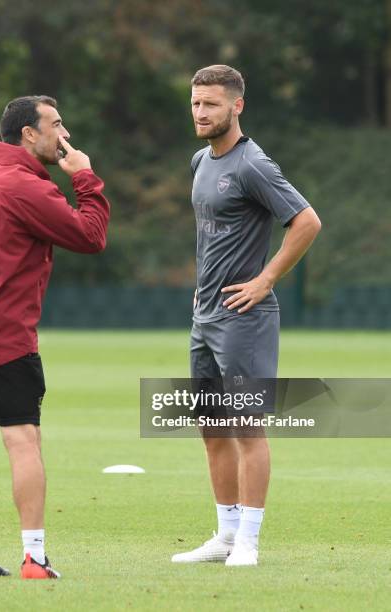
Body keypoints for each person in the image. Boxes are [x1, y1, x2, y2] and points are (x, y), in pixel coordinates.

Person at [0, 95, 110, 579]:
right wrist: (84, 178)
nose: (65, 135)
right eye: (56, 125)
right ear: (28, 134)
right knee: (23, 438)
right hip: (6, 336)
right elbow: (90, 236)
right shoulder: (24, 187)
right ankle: (34, 556)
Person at [171, 65, 321, 566]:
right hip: (206, 316)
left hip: (244, 317)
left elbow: (306, 220)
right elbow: (213, 234)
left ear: (237, 106)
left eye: (210, 104)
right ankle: (225, 535)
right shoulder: (200, 161)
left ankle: (250, 543)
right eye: (195, 103)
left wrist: (266, 279)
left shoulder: (253, 164)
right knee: (212, 428)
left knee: (246, 428)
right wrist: (200, 288)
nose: (200, 112)